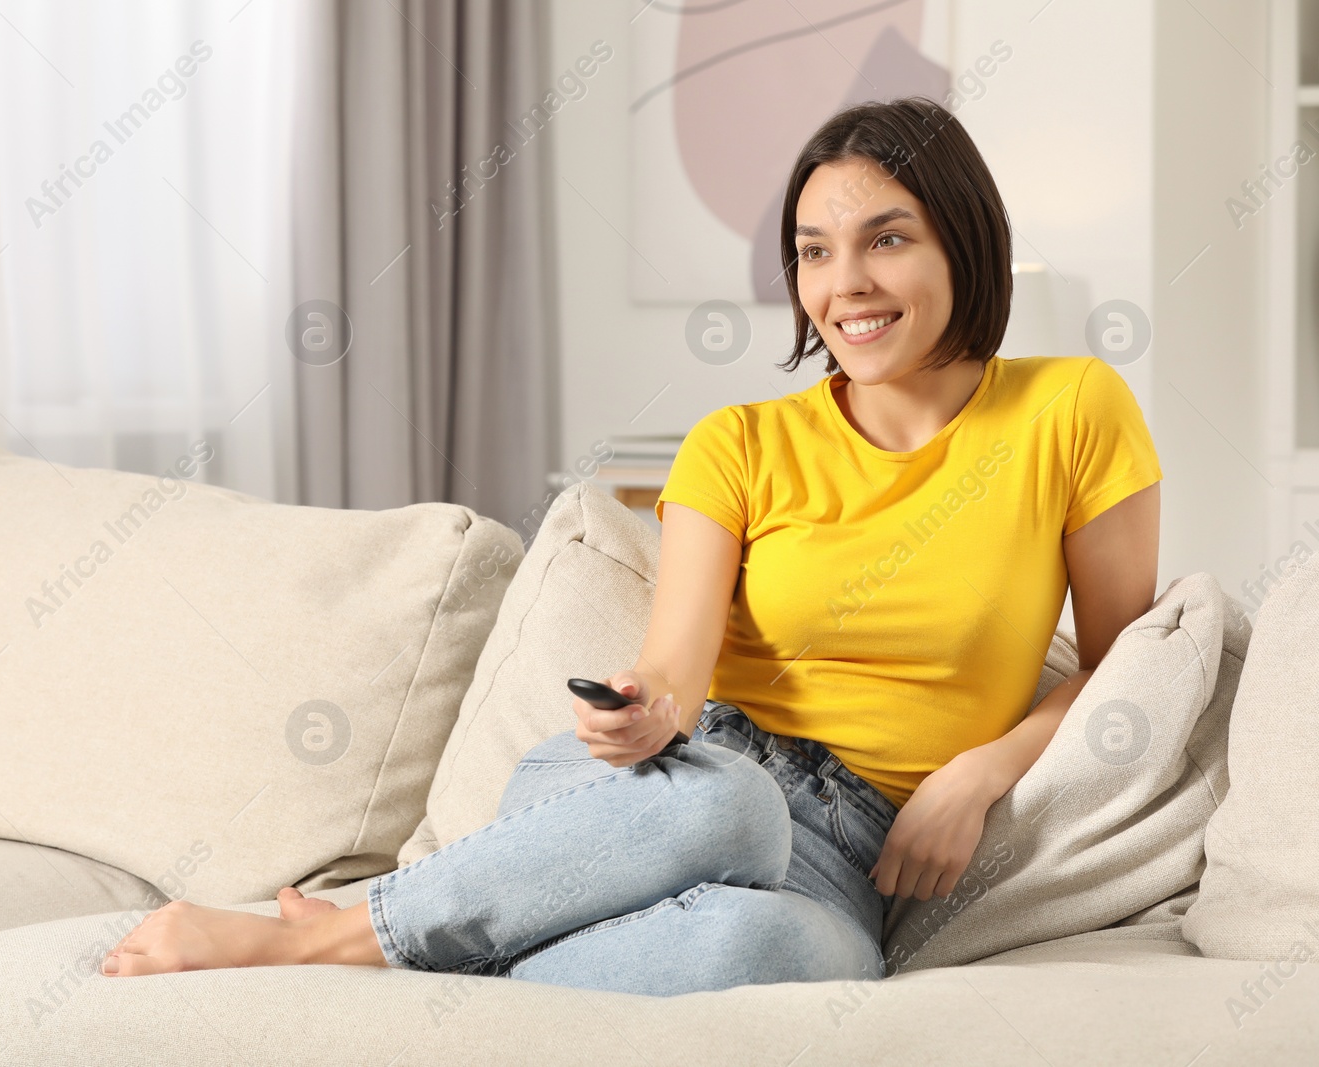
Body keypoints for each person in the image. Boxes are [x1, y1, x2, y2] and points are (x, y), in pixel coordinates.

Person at [98, 96, 1162, 995]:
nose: (845, 284)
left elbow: (1121, 659)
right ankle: (327, 937)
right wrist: (642, 710)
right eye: (812, 252)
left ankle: (453, 953)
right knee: (732, 799)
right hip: (675, 792)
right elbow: (674, 666)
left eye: (885, 238)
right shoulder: (739, 442)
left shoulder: (1072, 407)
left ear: (961, 238)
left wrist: (975, 772)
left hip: (845, 860)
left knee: (784, 951)